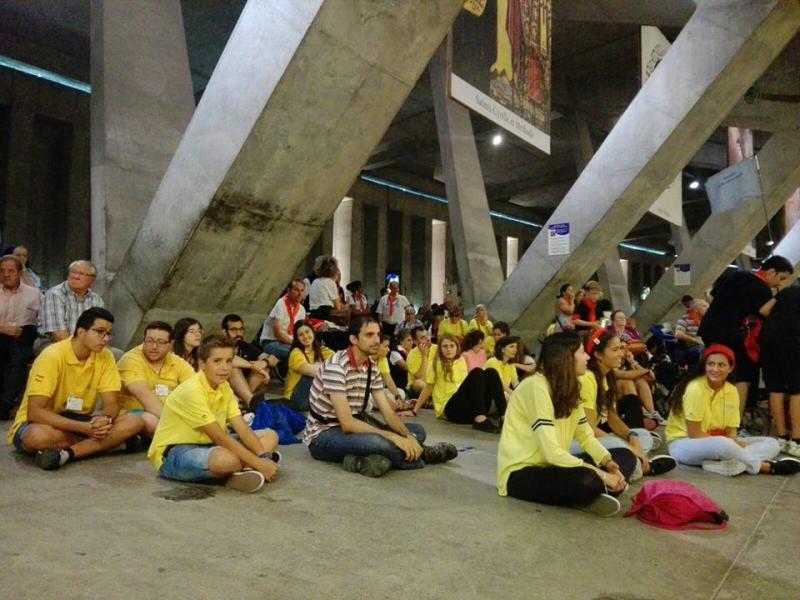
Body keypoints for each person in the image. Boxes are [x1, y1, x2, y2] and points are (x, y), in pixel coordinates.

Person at [497, 332, 635, 517]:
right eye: (581, 352)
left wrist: (609, 464)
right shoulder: (536, 386)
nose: (587, 357)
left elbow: (586, 436)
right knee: (587, 479)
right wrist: (602, 475)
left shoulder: (570, 387)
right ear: (565, 358)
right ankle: (597, 489)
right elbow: (551, 453)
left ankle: (597, 490)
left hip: (554, 466)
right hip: (521, 472)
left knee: (625, 456)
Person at [303, 315, 457, 478]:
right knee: (381, 442)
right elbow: (347, 423)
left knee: (417, 431)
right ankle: (423, 455)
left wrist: (408, 437)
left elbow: (388, 413)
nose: (376, 340)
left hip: (357, 425)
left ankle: (365, 459)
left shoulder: (371, 367)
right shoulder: (336, 367)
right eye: (369, 335)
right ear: (354, 339)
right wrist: (393, 437)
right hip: (324, 434)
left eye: (377, 334)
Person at [7, 307, 143, 470]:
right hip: (45, 421)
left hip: (82, 419)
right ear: (80, 331)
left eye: (108, 334)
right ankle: (110, 443)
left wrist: (105, 419)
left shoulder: (105, 356)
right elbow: (35, 412)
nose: (105, 339)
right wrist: (85, 429)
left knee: (134, 422)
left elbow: (111, 403)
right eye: (100, 332)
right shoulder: (52, 356)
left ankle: (65, 454)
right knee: (38, 437)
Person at [148, 336, 281, 493]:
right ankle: (238, 470)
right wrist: (259, 463)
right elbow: (220, 437)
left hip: (211, 445)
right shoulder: (192, 390)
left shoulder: (223, 386)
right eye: (217, 361)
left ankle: (240, 472)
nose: (224, 368)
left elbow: (242, 428)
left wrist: (263, 457)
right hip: (175, 453)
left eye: (229, 361)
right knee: (225, 460)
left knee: (270, 435)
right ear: (202, 363)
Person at [665, 344, 800, 477]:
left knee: (772, 443)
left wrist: (734, 444)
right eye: (710, 364)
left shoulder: (731, 390)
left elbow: (731, 431)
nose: (715, 369)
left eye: (721, 365)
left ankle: (724, 463)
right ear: (704, 366)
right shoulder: (695, 388)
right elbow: (694, 434)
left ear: (730, 368)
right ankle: (765, 467)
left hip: (720, 443)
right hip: (684, 443)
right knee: (723, 444)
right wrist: (731, 445)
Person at [698, 255, 793, 421]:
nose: (779, 283)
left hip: (709, 328)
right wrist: (781, 297)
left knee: (715, 372)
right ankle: (734, 422)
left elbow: (711, 296)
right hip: (729, 332)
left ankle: (708, 415)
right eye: (781, 278)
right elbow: (766, 311)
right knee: (744, 374)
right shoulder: (759, 285)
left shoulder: (736, 275)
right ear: (771, 271)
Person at [579, 330, 676, 478]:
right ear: (598, 355)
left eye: (622, 348)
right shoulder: (588, 378)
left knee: (642, 436)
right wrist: (626, 446)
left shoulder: (607, 376)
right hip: (579, 440)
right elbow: (589, 429)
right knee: (626, 448)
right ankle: (643, 467)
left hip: (594, 437)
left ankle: (632, 463)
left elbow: (612, 417)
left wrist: (631, 436)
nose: (622, 353)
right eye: (615, 349)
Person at [412, 334, 506, 433]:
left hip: (468, 408)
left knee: (491, 372)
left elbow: (467, 387)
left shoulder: (461, 360)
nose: (449, 349)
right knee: (477, 372)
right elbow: (428, 387)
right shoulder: (436, 364)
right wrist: (414, 410)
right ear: (440, 349)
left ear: (457, 347)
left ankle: (503, 417)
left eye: (452, 346)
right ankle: (480, 420)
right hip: (451, 410)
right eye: (445, 346)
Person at [117, 321, 195, 437]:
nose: (154, 347)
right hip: (133, 414)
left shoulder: (177, 362)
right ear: (144, 340)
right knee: (150, 419)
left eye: (161, 342)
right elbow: (144, 394)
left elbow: (196, 388)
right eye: (150, 341)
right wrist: (176, 422)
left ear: (171, 344)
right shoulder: (131, 360)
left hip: (169, 414)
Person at [759, 285, 800, 457]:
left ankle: (782, 437)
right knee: (797, 390)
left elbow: (763, 310)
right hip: (793, 341)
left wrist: (780, 321)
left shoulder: (789, 290)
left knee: (775, 388)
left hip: (768, 340)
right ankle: (797, 440)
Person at [0, 255, 42, 420]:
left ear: (19, 273)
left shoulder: (33, 294)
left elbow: (42, 320)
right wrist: (4, 329)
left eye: (11, 271)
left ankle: (5, 404)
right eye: (2, 271)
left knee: (18, 358)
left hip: (24, 333)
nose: (6, 275)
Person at [40, 260, 104, 342]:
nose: (75, 276)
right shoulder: (55, 294)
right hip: (53, 343)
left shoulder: (97, 300)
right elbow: (59, 335)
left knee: (116, 353)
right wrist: (79, 350)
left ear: (92, 280)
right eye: (73, 272)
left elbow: (99, 329)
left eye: (81, 274)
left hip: (86, 344)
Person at [221, 314, 276, 409]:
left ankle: (246, 402)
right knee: (234, 369)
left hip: (245, 390)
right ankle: (251, 402)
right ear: (224, 332)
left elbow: (274, 359)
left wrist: (265, 362)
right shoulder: (218, 346)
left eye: (241, 329)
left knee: (264, 368)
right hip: (224, 389)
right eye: (233, 330)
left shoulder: (246, 346)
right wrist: (252, 365)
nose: (238, 333)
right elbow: (230, 359)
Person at [284, 320, 333, 411]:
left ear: (313, 332)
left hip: (313, 397)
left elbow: (339, 361)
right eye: (301, 335)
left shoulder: (321, 350)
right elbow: (307, 370)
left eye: (307, 332)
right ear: (297, 338)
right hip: (296, 399)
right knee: (315, 376)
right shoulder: (296, 352)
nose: (305, 336)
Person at [260, 279, 306, 360]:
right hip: (272, 342)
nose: (300, 294)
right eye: (296, 290)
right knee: (298, 353)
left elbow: (301, 331)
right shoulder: (280, 304)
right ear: (288, 290)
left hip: (290, 343)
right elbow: (279, 333)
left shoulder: (302, 309)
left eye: (302, 291)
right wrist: (296, 344)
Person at [375, 334, 411, 411]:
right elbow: (373, 389)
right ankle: (386, 405)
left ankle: (386, 404)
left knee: (401, 392)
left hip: (379, 391)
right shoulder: (367, 358)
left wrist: (398, 398)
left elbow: (389, 381)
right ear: (376, 346)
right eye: (385, 346)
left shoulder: (383, 359)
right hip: (368, 392)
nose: (388, 349)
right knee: (371, 397)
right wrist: (390, 403)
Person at [308, 255, 345, 320]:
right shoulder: (330, 282)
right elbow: (338, 307)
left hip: (313, 314)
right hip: (326, 315)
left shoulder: (315, 281)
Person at [484, 335, 520, 400]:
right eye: (511, 347)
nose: (515, 350)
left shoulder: (511, 365)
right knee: (506, 396)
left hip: (502, 395)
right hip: (488, 397)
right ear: (503, 349)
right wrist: (516, 397)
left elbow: (516, 384)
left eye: (516, 347)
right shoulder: (493, 362)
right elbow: (501, 386)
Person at [674, 298, 708, 365]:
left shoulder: (706, 319)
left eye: (707, 305)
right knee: (703, 349)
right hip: (694, 347)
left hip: (705, 343)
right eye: (704, 306)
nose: (707, 308)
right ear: (695, 309)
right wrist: (697, 341)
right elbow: (678, 334)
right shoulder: (685, 318)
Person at [405, 325, 436, 396]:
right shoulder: (411, 355)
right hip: (418, 388)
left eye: (427, 335)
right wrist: (424, 356)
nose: (428, 339)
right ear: (415, 342)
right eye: (423, 338)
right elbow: (422, 377)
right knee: (418, 383)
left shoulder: (437, 349)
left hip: (435, 384)